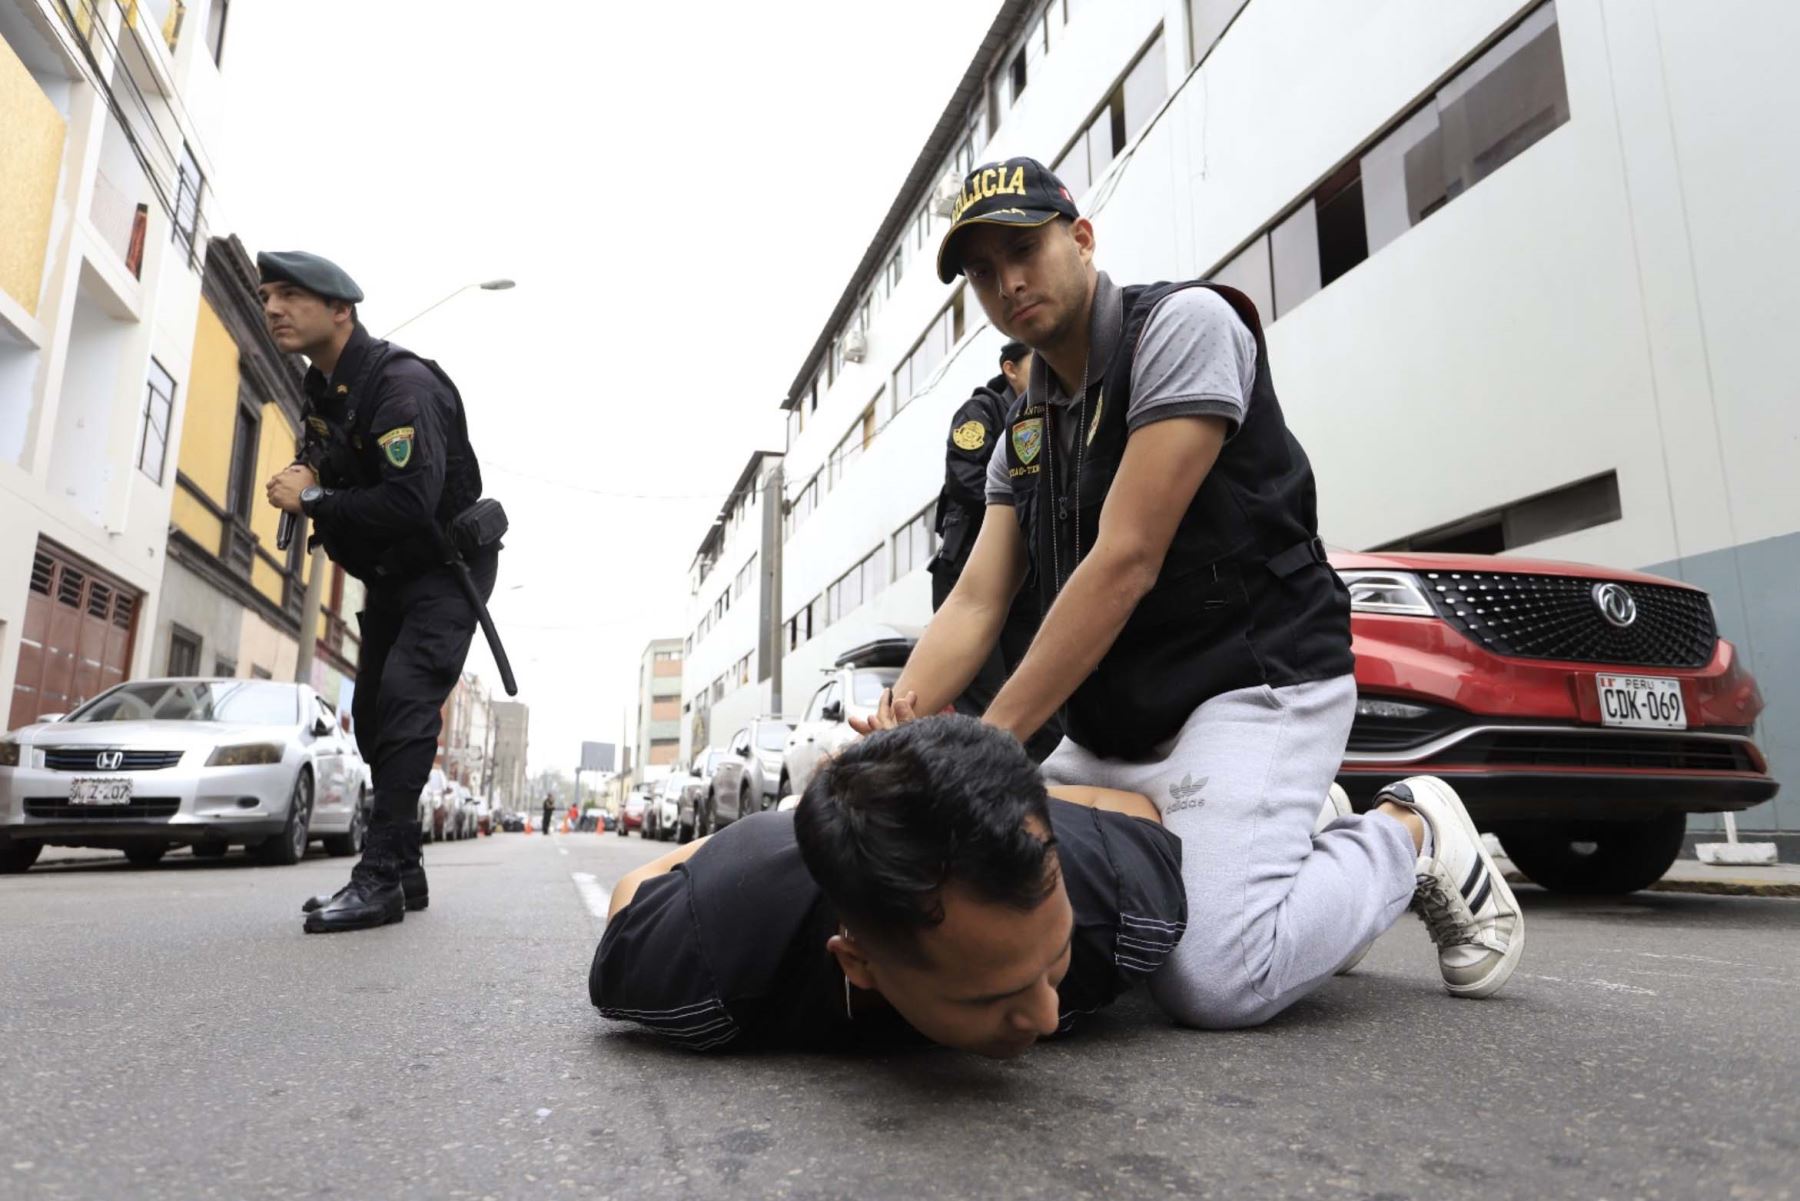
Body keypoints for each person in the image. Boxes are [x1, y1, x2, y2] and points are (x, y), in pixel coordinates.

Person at [860, 157, 1524, 1029]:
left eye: (1023, 247)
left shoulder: (1183, 329)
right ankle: (1289, 831)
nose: (1007, 280)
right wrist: (903, 719)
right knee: (992, 877)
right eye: (982, 271)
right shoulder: (1024, 426)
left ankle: (1410, 833)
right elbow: (979, 600)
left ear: (1082, 238)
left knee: (1213, 977)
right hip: (1116, 733)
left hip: (1252, 690)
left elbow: (1125, 561)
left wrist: (985, 745)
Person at [590, 716, 1184, 1057]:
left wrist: (970, 794)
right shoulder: (709, 961)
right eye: (990, 998)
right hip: (769, 851)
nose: (1048, 1016)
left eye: (1057, 960)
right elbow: (635, 887)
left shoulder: (1123, 907)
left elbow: (1128, 805)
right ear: (859, 963)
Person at [261, 251, 500, 934]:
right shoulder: (325, 387)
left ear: (341, 310)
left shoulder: (401, 386)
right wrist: (313, 468)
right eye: (266, 295)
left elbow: (408, 501)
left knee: (404, 699)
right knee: (368, 714)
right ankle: (406, 866)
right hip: (394, 573)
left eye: (290, 295)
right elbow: (334, 454)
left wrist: (312, 497)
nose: (273, 307)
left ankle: (378, 878)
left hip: (446, 566)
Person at [929, 341, 1061, 762]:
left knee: (1038, 695)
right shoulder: (981, 414)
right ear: (1010, 369)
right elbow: (966, 480)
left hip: (1024, 579)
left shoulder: (1050, 413)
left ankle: (1038, 790)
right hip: (968, 569)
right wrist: (1026, 498)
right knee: (983, 702)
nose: (1046, 370)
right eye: (1034, 362)